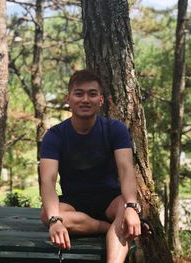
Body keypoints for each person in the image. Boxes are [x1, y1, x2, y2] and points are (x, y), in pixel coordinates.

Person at [39, 69, 142, 263]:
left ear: (101, 100)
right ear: (68, 98)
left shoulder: (115, 129)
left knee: (125, 209)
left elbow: (126, 169)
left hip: (111, 201)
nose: (85, 99)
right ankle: (106, 227)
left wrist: (130, 206)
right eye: (79, 93)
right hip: (73, 203)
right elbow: (48, 180)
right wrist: (54, 220)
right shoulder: (55, 135)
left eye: (92, 94)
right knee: (47, 214)